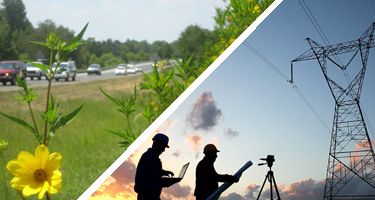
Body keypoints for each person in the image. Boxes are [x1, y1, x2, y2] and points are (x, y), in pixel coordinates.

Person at [134, 133, 175, 200]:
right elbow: (151, 180)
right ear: (158, 145)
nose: (164, 150)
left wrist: (164, 172)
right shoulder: (150, 158)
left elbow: (153, 172)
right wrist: (167, 182)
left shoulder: (150, 156)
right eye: (163, 147)